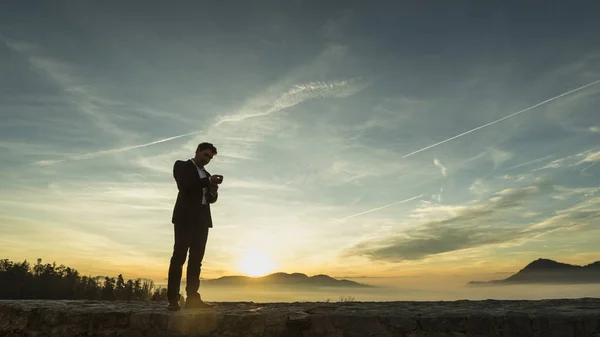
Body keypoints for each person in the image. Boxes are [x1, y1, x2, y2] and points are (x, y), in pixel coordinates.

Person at [166, 142, 223, 311]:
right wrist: (208, 181)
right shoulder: (181, 165)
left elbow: (210, 199)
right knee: (179, 257)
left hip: (202, 221)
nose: (207, 160)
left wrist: (214, 188)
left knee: (196, 260)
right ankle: (173, 300)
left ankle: (192, 298)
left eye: (210, 158)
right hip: (185, 218)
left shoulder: (207, 174)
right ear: (197, 151)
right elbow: (186, 186)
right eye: (205, 155)